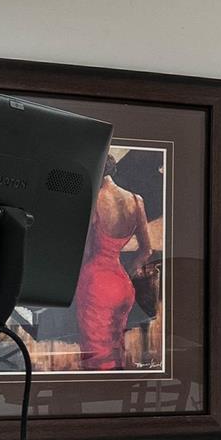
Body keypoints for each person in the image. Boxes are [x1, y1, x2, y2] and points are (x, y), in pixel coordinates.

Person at [73, 151, 155, 370]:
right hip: (121, 284)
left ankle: (97, 386)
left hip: (95, 285)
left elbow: (86, 251)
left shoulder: (95, 200)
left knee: (95, 354)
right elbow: (146, 251)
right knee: (116, 347)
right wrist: (126, 273)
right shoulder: (136, 200)